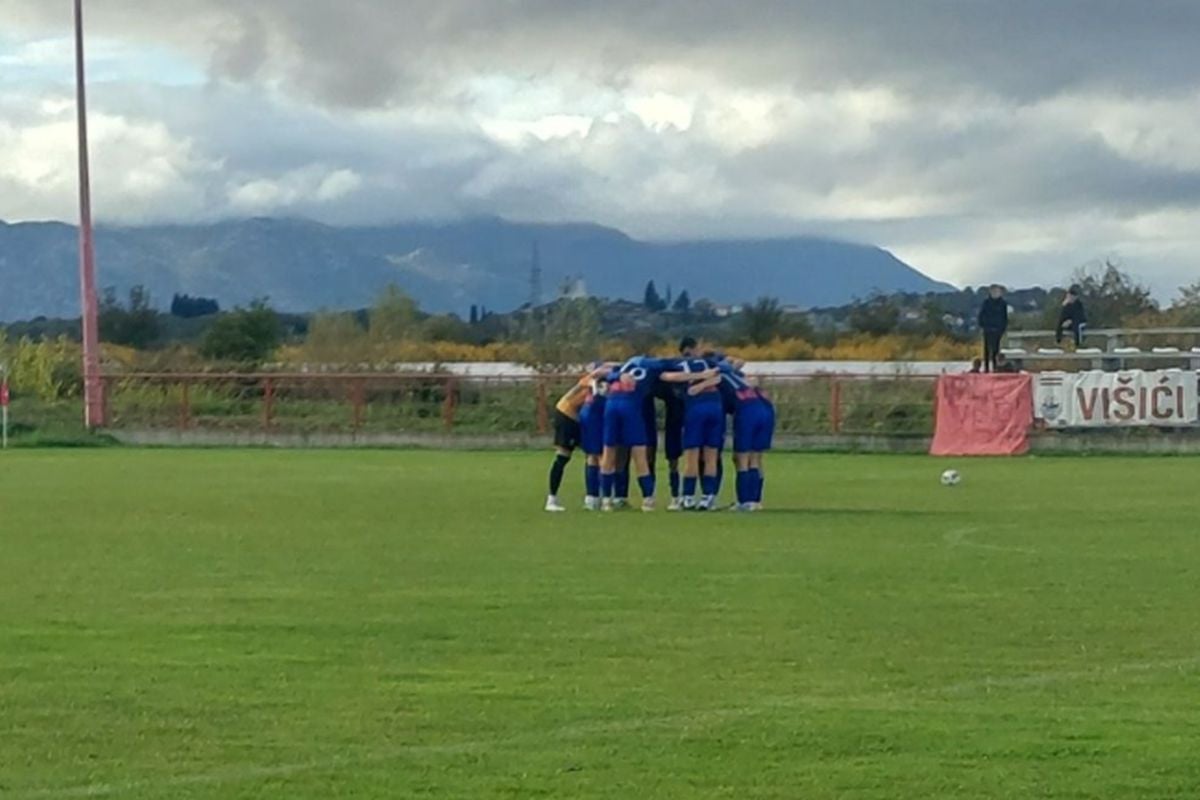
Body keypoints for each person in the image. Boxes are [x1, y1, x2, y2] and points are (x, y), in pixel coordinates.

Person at [545, 365, 609, 512]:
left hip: (578, 419)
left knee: (592, 453)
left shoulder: (599, 382)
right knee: (563, 456)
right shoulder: (591, 381)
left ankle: (592, 497)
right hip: (566, 415)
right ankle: (552, 499)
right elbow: (594, 392)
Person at [978, 284, 1009, 373]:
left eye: (997, 291)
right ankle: (986, 367)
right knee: (987, 349)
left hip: (998, 330)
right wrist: (983, 326)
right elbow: (981, 315)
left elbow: (1004, 317)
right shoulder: (986, 303)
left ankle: (996, 367)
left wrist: (1002, 328)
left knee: (996, 349)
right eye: (994, 291)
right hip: (987, 329)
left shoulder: (1003, 303)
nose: (996, 293)